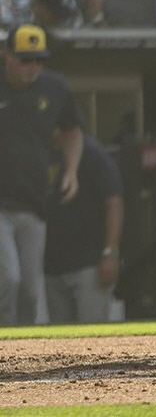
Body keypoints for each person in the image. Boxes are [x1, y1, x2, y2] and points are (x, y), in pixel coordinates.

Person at [0, 24, 83, 325]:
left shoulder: (54, 87)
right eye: (25, 59)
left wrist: (71, 171)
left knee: (31, 290)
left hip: (35, 203)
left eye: (39, 59)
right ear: (6, 56)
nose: (32, 67)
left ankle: (22, 352)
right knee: (8, 278)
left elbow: (73, 131)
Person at [45, 134, 124, 323]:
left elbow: (114, 202)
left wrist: (110, 253)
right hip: (51, 268)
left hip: (89, 266)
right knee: (58, 342)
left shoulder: (92, 153)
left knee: (93, 335)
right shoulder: (40, 150)